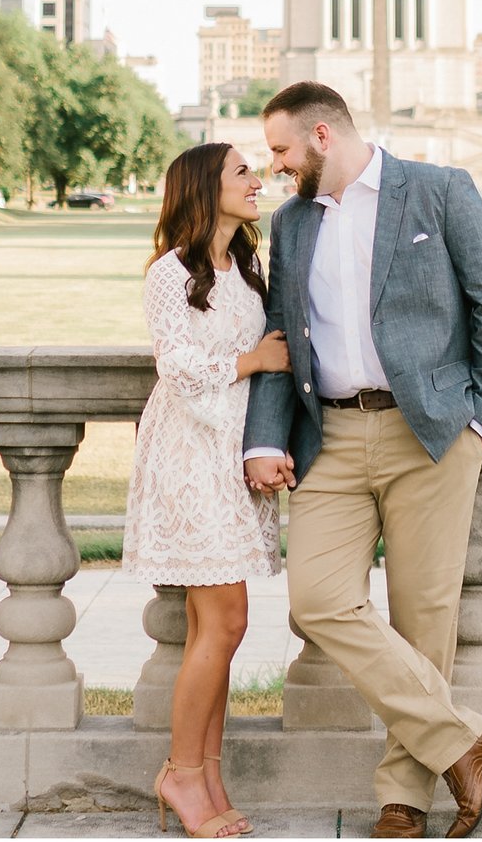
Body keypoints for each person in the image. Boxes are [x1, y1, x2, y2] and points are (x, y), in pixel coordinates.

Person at [242, 83, 482, 840]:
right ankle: (460, 736)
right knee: (318, 600)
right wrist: (265, 438)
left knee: (423, 616)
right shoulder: (291, 223)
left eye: (280, 150)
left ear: (323, 136)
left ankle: (406, 797)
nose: (273, 167)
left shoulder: (438, 191)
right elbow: (280, 337)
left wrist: (478, 420)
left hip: (428, 435)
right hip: (327, 440)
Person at [122, 141, 289, 838]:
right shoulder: (171, 272)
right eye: (243, 173)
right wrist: (254, 359)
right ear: (203, 188)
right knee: (222, 623)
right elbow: (178, 365)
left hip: (232, 456)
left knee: (217, 627)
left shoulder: (246, 267)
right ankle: (181, 773)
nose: (258, 182)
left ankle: (209, 772)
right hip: (192, 458)